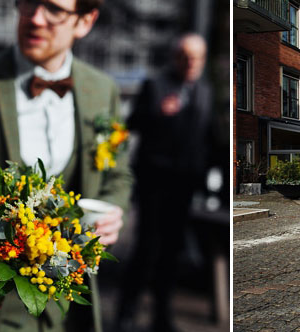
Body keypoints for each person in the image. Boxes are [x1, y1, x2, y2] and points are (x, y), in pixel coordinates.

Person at [0, 0, 131, 331]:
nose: (36, 18)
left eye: (54, 9)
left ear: (85, 21)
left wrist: (113, 209)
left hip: (71, 306)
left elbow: (117, 173)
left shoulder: (103, 91)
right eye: (29, 3)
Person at [115, 34, 213, 332]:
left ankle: (161, 317)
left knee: (172, 252)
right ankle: (126, 314)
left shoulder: (204, 90)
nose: (192, 62)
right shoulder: (155, 85)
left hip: (185, 184)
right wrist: (158, 112)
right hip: (154, 181)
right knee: (147, 248)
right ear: (176, 57)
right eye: (186, 56)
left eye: (197, 57)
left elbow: (207, 136)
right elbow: (132, 123)